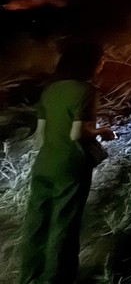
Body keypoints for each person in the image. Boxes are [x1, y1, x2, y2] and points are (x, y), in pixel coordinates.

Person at [17, 39, 116, 284]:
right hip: (70, 166)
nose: (102, 63)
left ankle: (30, 275)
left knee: (37, 222)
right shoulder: (85, 91)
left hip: (44, 163)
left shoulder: (50, 90)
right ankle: (56, 278)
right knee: (64, 224)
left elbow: (39, 136)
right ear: (88, 62)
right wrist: (103, 132)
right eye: (101, 59)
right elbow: (77, 134)